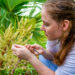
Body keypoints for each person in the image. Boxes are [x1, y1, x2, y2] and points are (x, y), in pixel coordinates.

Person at [11, 0, 75, 75]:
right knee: (43, 57)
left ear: (64, 25)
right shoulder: (57, 34)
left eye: (46, 24)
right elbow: (55, 56)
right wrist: (43, 52)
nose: (41, 28)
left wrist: (30, 58)